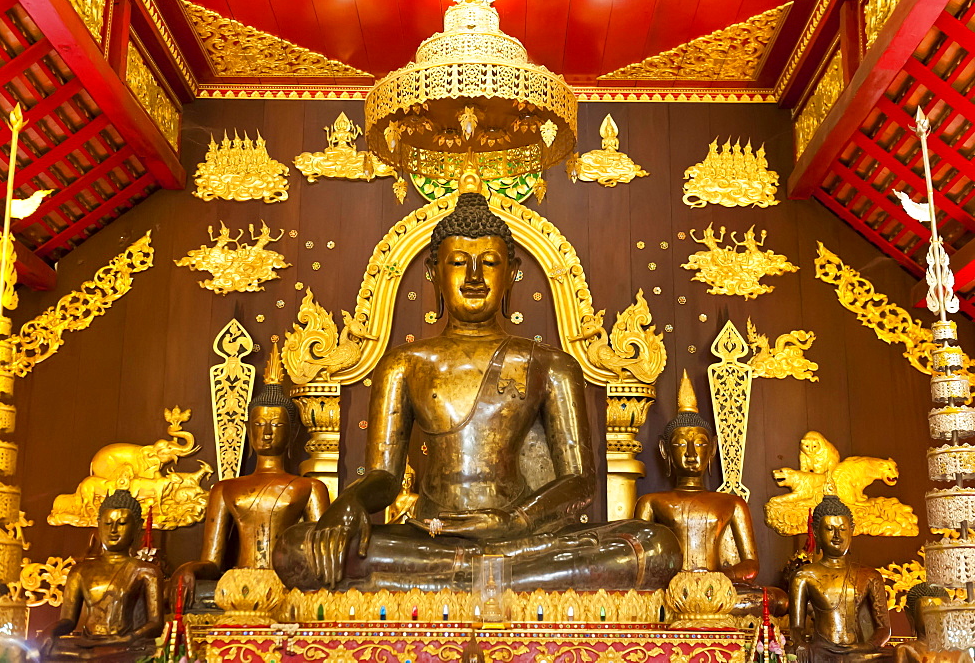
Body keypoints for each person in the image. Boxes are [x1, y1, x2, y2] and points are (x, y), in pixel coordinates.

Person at [273, 186, 681, 592]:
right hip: (430, 537)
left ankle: (452, 580)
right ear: (434, 273)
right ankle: (494, 578)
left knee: (655, 544)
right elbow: (384, 476)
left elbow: (580, 481)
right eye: (457, 263)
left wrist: (516, 520)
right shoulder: (404, 364)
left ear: (512, 273)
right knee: (296, 549)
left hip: (522, 539)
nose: (473, 277)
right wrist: (351, 502)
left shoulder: (550, 364)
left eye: (488, 262)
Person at [171, 341, 330, 607]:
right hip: (236, 588)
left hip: (288, 586)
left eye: (277, 424)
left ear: (291, 432)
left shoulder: (310, 487)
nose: (267, 432)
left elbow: (320, 556)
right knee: (198, 595)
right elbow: (212, 561)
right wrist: (188, 569)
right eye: (259, 424)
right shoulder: (224, 489)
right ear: (248, 430)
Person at [634, 370, 787, 616]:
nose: (692, 453)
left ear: (713, 448)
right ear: (665, 451)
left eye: (701, 444)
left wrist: (717, 577)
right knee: (642, 600)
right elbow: (640, 560)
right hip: (672, 591)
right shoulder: (651, 502)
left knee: (777, 600)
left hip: (716, 589)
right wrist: (676, 580)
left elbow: (750, 564)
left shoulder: (732, 503)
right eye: (681, 444)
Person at [38, 490, 163, 661]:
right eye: (107, 523)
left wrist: (129, 638)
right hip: (87, 642)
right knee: (41, 648)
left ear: (137, 526)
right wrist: (49, 631)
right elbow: (68, 620)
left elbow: (155, 624)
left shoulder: (146, 571)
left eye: (122, 523)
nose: (113, 530)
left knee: (135, 654)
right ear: (98, 524)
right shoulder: (80, 571)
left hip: (125, 645)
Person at [789, 494, 891, 662]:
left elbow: (884, 628)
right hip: (822, 650)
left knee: (898, 656)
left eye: (842, 529)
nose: (837, 535)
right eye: (829, 529)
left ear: (852, 530)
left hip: (858, 652)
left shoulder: (870, 576)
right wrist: (800, 643)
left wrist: (865, 646)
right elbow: (796, 627)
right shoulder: (804, 576)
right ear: (816, 533)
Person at [894, 582, 972, 663]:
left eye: (942, 611)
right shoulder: (905, 650)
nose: (936, 618)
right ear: (910, 615)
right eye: (928, 611)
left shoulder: (961, 651)